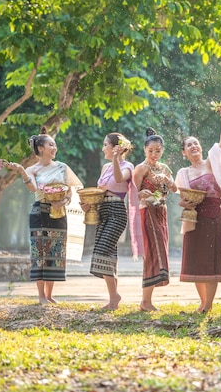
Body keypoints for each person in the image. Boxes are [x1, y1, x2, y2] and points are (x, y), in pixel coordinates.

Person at [6, 128, 82, 305]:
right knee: (39, 253)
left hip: (59, 213)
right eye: (50, 145)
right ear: (40, 149)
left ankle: (49, 295)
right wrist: (21, 171)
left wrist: (62, 202)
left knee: (55, 252)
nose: (54, 148)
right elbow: (33, 188)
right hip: (40, 213)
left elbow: (70, 191)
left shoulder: (63, 167)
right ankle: (41, 296)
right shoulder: (32, 169)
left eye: (54, 145)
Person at [176, 106, 221, 313]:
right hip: (195, 219)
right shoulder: (184, 172)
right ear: (184, 152)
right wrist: (185, 204)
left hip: (213, 216)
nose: (194, 146)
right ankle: (203, 303)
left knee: (211, 261)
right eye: (189, 145)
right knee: (196, 261)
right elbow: (183, 199)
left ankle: (208, 305)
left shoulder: (211, 163)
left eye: (196, 143)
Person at [83, 133, 142, 310]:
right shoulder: (104, 167)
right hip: (103, 210)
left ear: (115, 147)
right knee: (108, 255)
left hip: (117, 212)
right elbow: (100, 191)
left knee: (103, 251)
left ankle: (115, 296)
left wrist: (117, 159)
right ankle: (113, 298)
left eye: (105, 144)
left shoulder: (128, 166)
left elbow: (118, 179)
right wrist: (89, 205)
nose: (103, 148)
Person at [133, 128, 177, 311]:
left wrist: (166, 178)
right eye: (150, 150)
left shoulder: (165, 169)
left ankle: (147, 300)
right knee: (151, 253)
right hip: (147, 212)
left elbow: (174, 189)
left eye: (157, 151)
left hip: (161, 211)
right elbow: (132, 194)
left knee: (160, 252)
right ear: (145, 150)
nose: (154, 154)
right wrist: (141, 193)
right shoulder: (141, 168)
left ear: (162, 151)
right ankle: (145, 301)